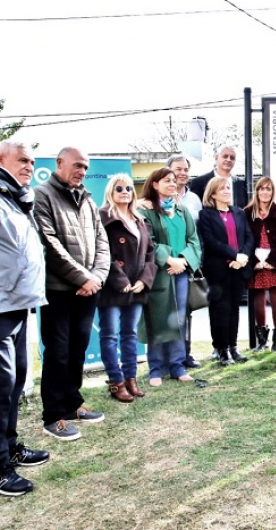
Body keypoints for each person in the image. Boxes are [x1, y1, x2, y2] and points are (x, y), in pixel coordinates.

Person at [35, 147, 110, 441]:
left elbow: (102, 242)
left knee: (77, 348)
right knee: (58, 351)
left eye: (86, 167)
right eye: (77, 165)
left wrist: (96, 278)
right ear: (60, 163)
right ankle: (53, 415)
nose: (82, 171)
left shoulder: (88, 199)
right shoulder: (43, 195)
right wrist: (82, 277)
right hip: (59, 290)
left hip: (88, 289)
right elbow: (49, 244)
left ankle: (72, 404)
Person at [0, 141, 49, 496]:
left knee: (14, 385)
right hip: (1, 305)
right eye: (22, 160)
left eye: (32, 161)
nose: (29, 166)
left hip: (17, 304)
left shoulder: (14, 198)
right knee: (1, 389)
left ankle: (9, 448)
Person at [138, 168, 201, 386]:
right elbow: (147, 241)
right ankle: (156, 368)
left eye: (174, 180)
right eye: (167, 180)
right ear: (155, 184)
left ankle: (177, 365)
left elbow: (193, 240)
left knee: (179, 319)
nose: (173, 183)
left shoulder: (182, 211)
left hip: (181, 272)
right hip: (159, 273)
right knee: (157, 318)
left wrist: (183, 260)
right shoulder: (146, 210)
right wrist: (168, 259)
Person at [98, 175, 156, 402]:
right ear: (111, 192)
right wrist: (121, 281)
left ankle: (131, 379)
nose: (124, 191)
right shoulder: (103, 217)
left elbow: (150, 254)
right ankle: (116, 382)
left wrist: (145, 279)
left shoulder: (139, 220)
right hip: (114, 287)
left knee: (130, 334)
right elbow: (102, 253)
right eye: (119, 188)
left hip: (137, 286)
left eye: (129, 188)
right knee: (110, 335)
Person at [198, 177, 253, 366]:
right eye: (222, 189)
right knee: (219, 309)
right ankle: (221, 350)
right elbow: (211, 241)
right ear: (213, 194)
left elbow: (248, 237)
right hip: (218, 269)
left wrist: (242, 257)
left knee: (234, 308)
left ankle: (233, 347)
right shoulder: (206, 215)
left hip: (238, 269)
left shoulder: (238, 212)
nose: (227, 191)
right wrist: (235, 255)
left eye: (228, 188)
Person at [245, 177, 276, 353]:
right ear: (257, 191)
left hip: (274, 260)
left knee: (275, 300)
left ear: (273, 192)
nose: (265, 192)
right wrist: (254, 261)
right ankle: (261, 342)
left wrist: (272, 261)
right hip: (255, 261)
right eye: (261, 188)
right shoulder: (247, 212)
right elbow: (245, 239)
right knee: (258, 301)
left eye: (268, 189)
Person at [168, 154, 202, 368]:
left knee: (185, 313)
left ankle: (184, 355)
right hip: (164, 264)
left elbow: (197, 235)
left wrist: (190, 260)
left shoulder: (195, 200)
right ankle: (165, 358)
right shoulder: (157, 200)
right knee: (164, 313)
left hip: (188, 263)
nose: (182, 173)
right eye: (177, 169)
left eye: (185, 169)